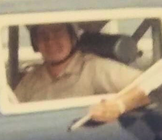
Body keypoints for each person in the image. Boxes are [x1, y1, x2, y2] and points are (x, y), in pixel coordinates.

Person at [14, 23, 143, 103]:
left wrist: (119, 106)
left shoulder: (94, 68)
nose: (51, 41)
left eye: (58, 33)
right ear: (36, 43)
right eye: (43, 36)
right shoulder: (31, 79)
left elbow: (152, 84)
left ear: (72, 37)